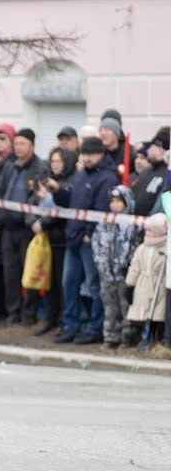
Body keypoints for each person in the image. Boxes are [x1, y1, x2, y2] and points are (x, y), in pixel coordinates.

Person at [42, 135, 119, 345]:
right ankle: (71, 325)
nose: (86, 158)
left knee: (94, 285)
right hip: (74, 237)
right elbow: (72, 201)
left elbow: (101, 210)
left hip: (89, 240)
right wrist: (57, 191)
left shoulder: (108, 178)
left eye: (90, 154)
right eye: (84, 154)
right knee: (69, 283)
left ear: (101, 154)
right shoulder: (81, 175)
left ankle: (94, 327)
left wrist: (89, 233)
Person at [0, 128, 47, 326]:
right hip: (7, 227)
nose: (18, 148)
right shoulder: (9, 166)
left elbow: (36, 195)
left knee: (29, 271)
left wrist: (27, 213)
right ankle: (13, 312)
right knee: (10, 272)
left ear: (31, 146)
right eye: (16, 144)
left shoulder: (39, 167)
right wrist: (1, 210)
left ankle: (29, 313)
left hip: (26, 228)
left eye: (22, 144)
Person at [31, 147, 77, 335]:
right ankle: (50, 317)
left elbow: (63, 210)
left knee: (62, 282)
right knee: (47, 281)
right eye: (53, 161)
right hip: (47, 239)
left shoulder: (70, 182)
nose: (55, 165)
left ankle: (62, 319)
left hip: (63, 238)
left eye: (59, 161)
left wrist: (44, 222)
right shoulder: (47, 182)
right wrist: (35, 220)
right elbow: (33, 205)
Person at [92, 186, 138, 349]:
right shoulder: (104, 221)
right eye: (112, 201)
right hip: (106, 273)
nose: (115, 205)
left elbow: (135, 246)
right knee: (110, 306)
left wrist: (127, 264)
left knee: (125, 305)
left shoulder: (133, 223)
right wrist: (100, 262)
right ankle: (111, 336)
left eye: (119, 201)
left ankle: (127, 336)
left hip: (124, 274)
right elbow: (96, 242)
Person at [126, 213, 167, 351]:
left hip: (159, 286)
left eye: (151, 230)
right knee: (142, 312)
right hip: (143, 284)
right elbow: (135, 266)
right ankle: (143, 337)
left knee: (158, 313)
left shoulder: (165, 248)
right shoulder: (142, 248)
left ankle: (157, 338)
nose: (147, 233)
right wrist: (130, 284)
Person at [132, 128, 169, 216]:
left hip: (154, 226)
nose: (147, 150)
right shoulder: (147, 171)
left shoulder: (167, 175)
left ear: (160, 149)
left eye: (151, 147)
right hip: (137, 223)